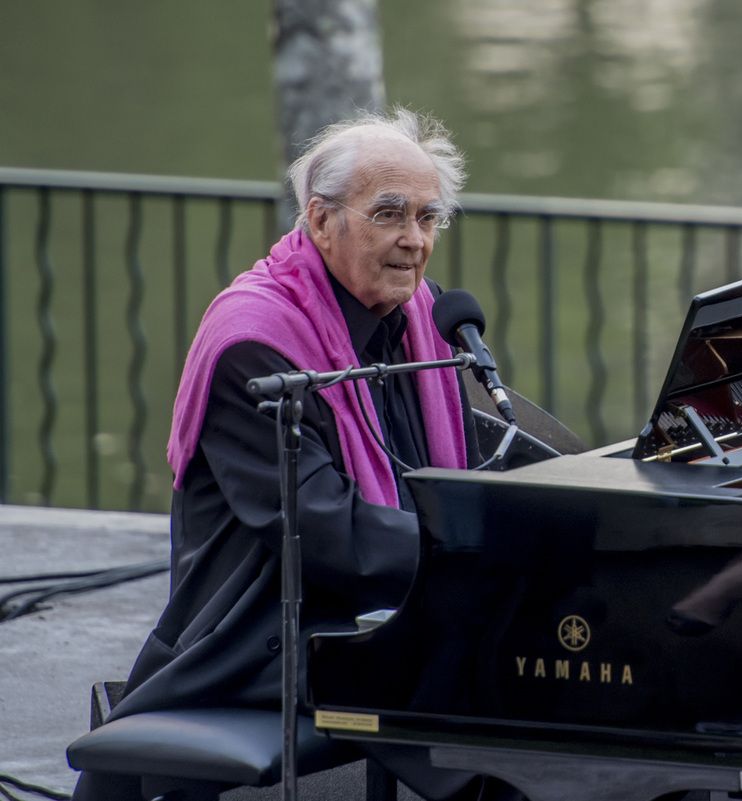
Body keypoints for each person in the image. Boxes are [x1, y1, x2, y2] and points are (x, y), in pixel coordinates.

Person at [71, 107, 513, 800]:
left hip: (381, 607)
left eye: (429, 217)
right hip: (268, 634)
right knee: (515, 720)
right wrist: (482, 557)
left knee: (557, 693)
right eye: (390, 214)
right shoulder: (255, 340)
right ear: (320, 219)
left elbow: (449, 478)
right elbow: (328, 531)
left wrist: (534, 530)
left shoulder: (424, 319)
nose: (414, 239)